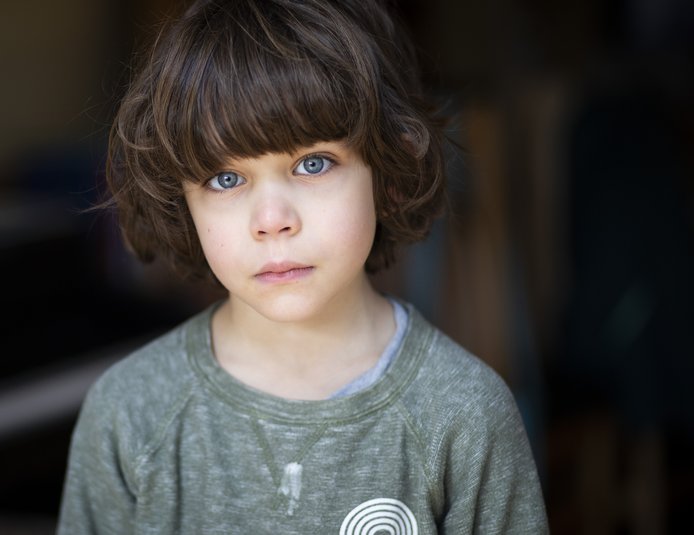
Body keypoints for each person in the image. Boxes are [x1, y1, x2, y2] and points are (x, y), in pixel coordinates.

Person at [58, 0, 548, 532]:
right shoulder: (130, 414)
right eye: (226, 179)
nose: (272, 220)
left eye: (313, 164)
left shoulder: (464, 416)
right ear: (182, 203)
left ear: (387, 172)